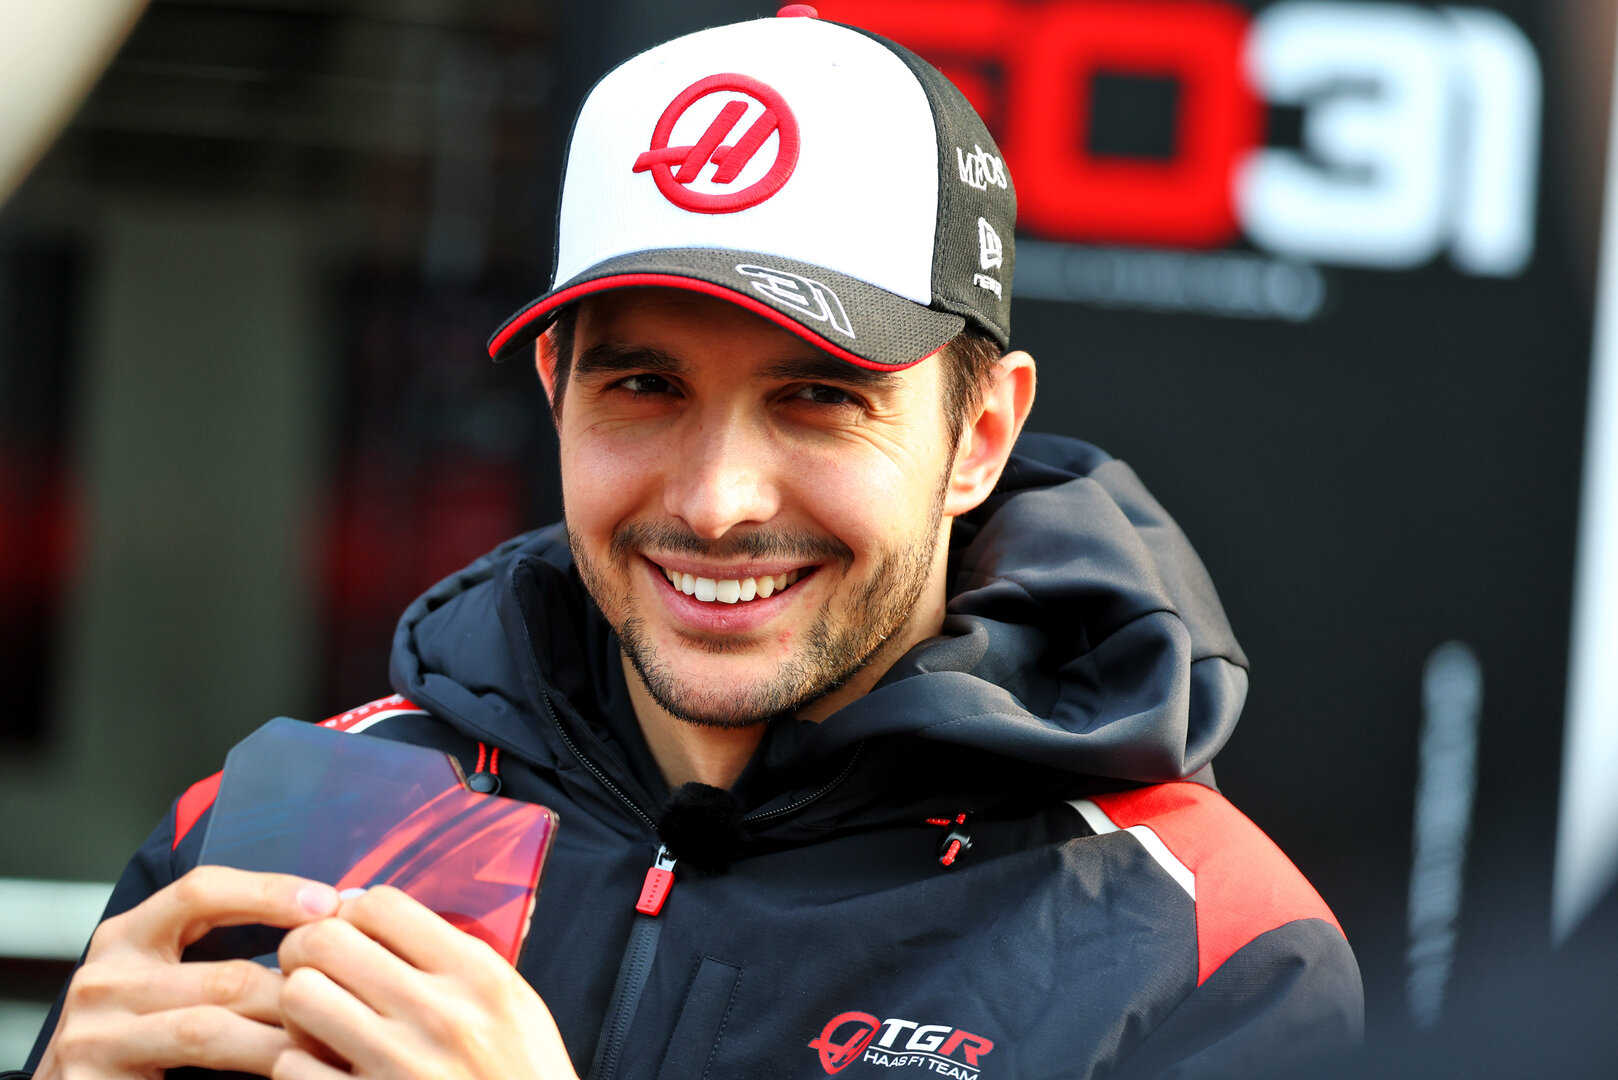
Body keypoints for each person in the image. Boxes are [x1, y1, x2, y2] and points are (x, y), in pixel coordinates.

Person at [14, 8, 1362, 1080]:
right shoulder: (275, 822)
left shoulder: (1208, 948)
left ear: (979, 433)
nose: (716, 501)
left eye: (818, 397)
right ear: (553, 387)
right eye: (643, 389)